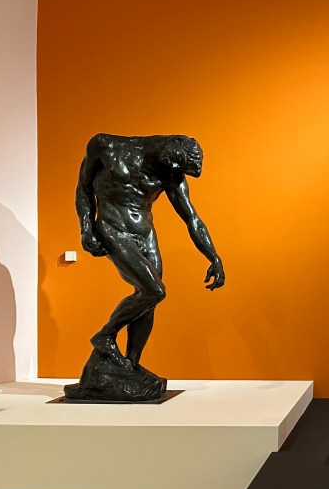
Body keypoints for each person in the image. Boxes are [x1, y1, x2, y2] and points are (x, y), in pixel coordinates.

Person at [75, 133, 224, 372]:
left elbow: (192, 219)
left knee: (147, 301)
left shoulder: (172, 173)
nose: (174, 172)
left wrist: (213, 257)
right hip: (114, 228)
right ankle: (105, 335)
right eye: (173, 166)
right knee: (154, 291)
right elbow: (83, 188)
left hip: (145, 234)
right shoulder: (105, 146)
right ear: (166, 149)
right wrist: (86, 228)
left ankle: (132, 364)